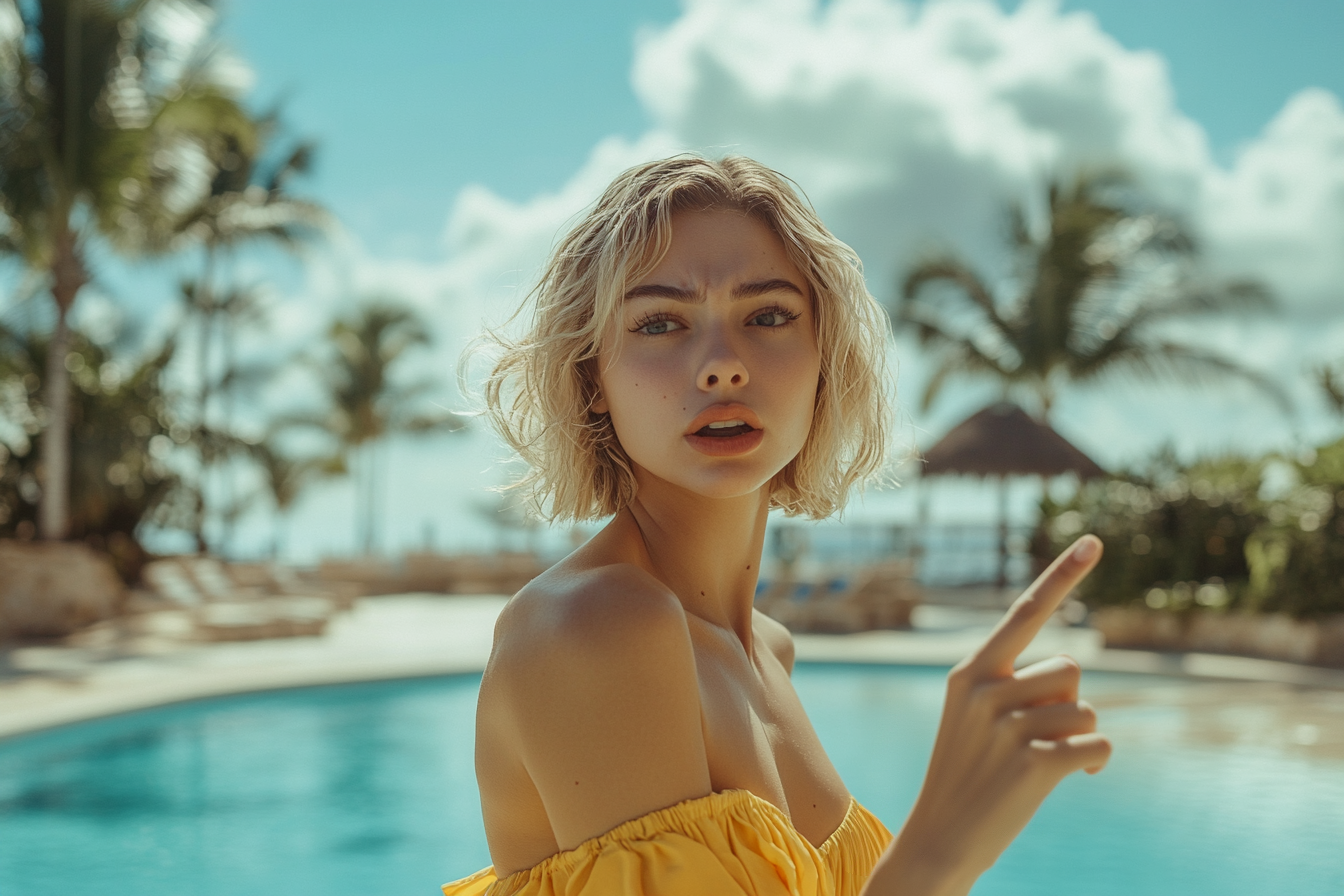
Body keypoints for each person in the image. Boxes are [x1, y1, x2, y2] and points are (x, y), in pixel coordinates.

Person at [444, 155, 1110, 896]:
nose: (722, 366)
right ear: (592, 376)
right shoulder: (595, 627)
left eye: (767, 316)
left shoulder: (768, 651)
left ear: (823, 359)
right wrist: (942, 851)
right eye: (661, 322)